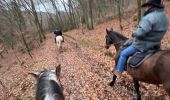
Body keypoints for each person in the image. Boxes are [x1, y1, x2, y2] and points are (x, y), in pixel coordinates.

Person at [113, 0, 169, 77]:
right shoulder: (164, 17)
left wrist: (135, 32)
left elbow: (141, 33)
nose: (145, 8)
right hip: (156, 44)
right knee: (128, 42)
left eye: (147, 6)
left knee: (123, 53)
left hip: (142, 45)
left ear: (151, 6)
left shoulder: (149, 17)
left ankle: (119, 71)